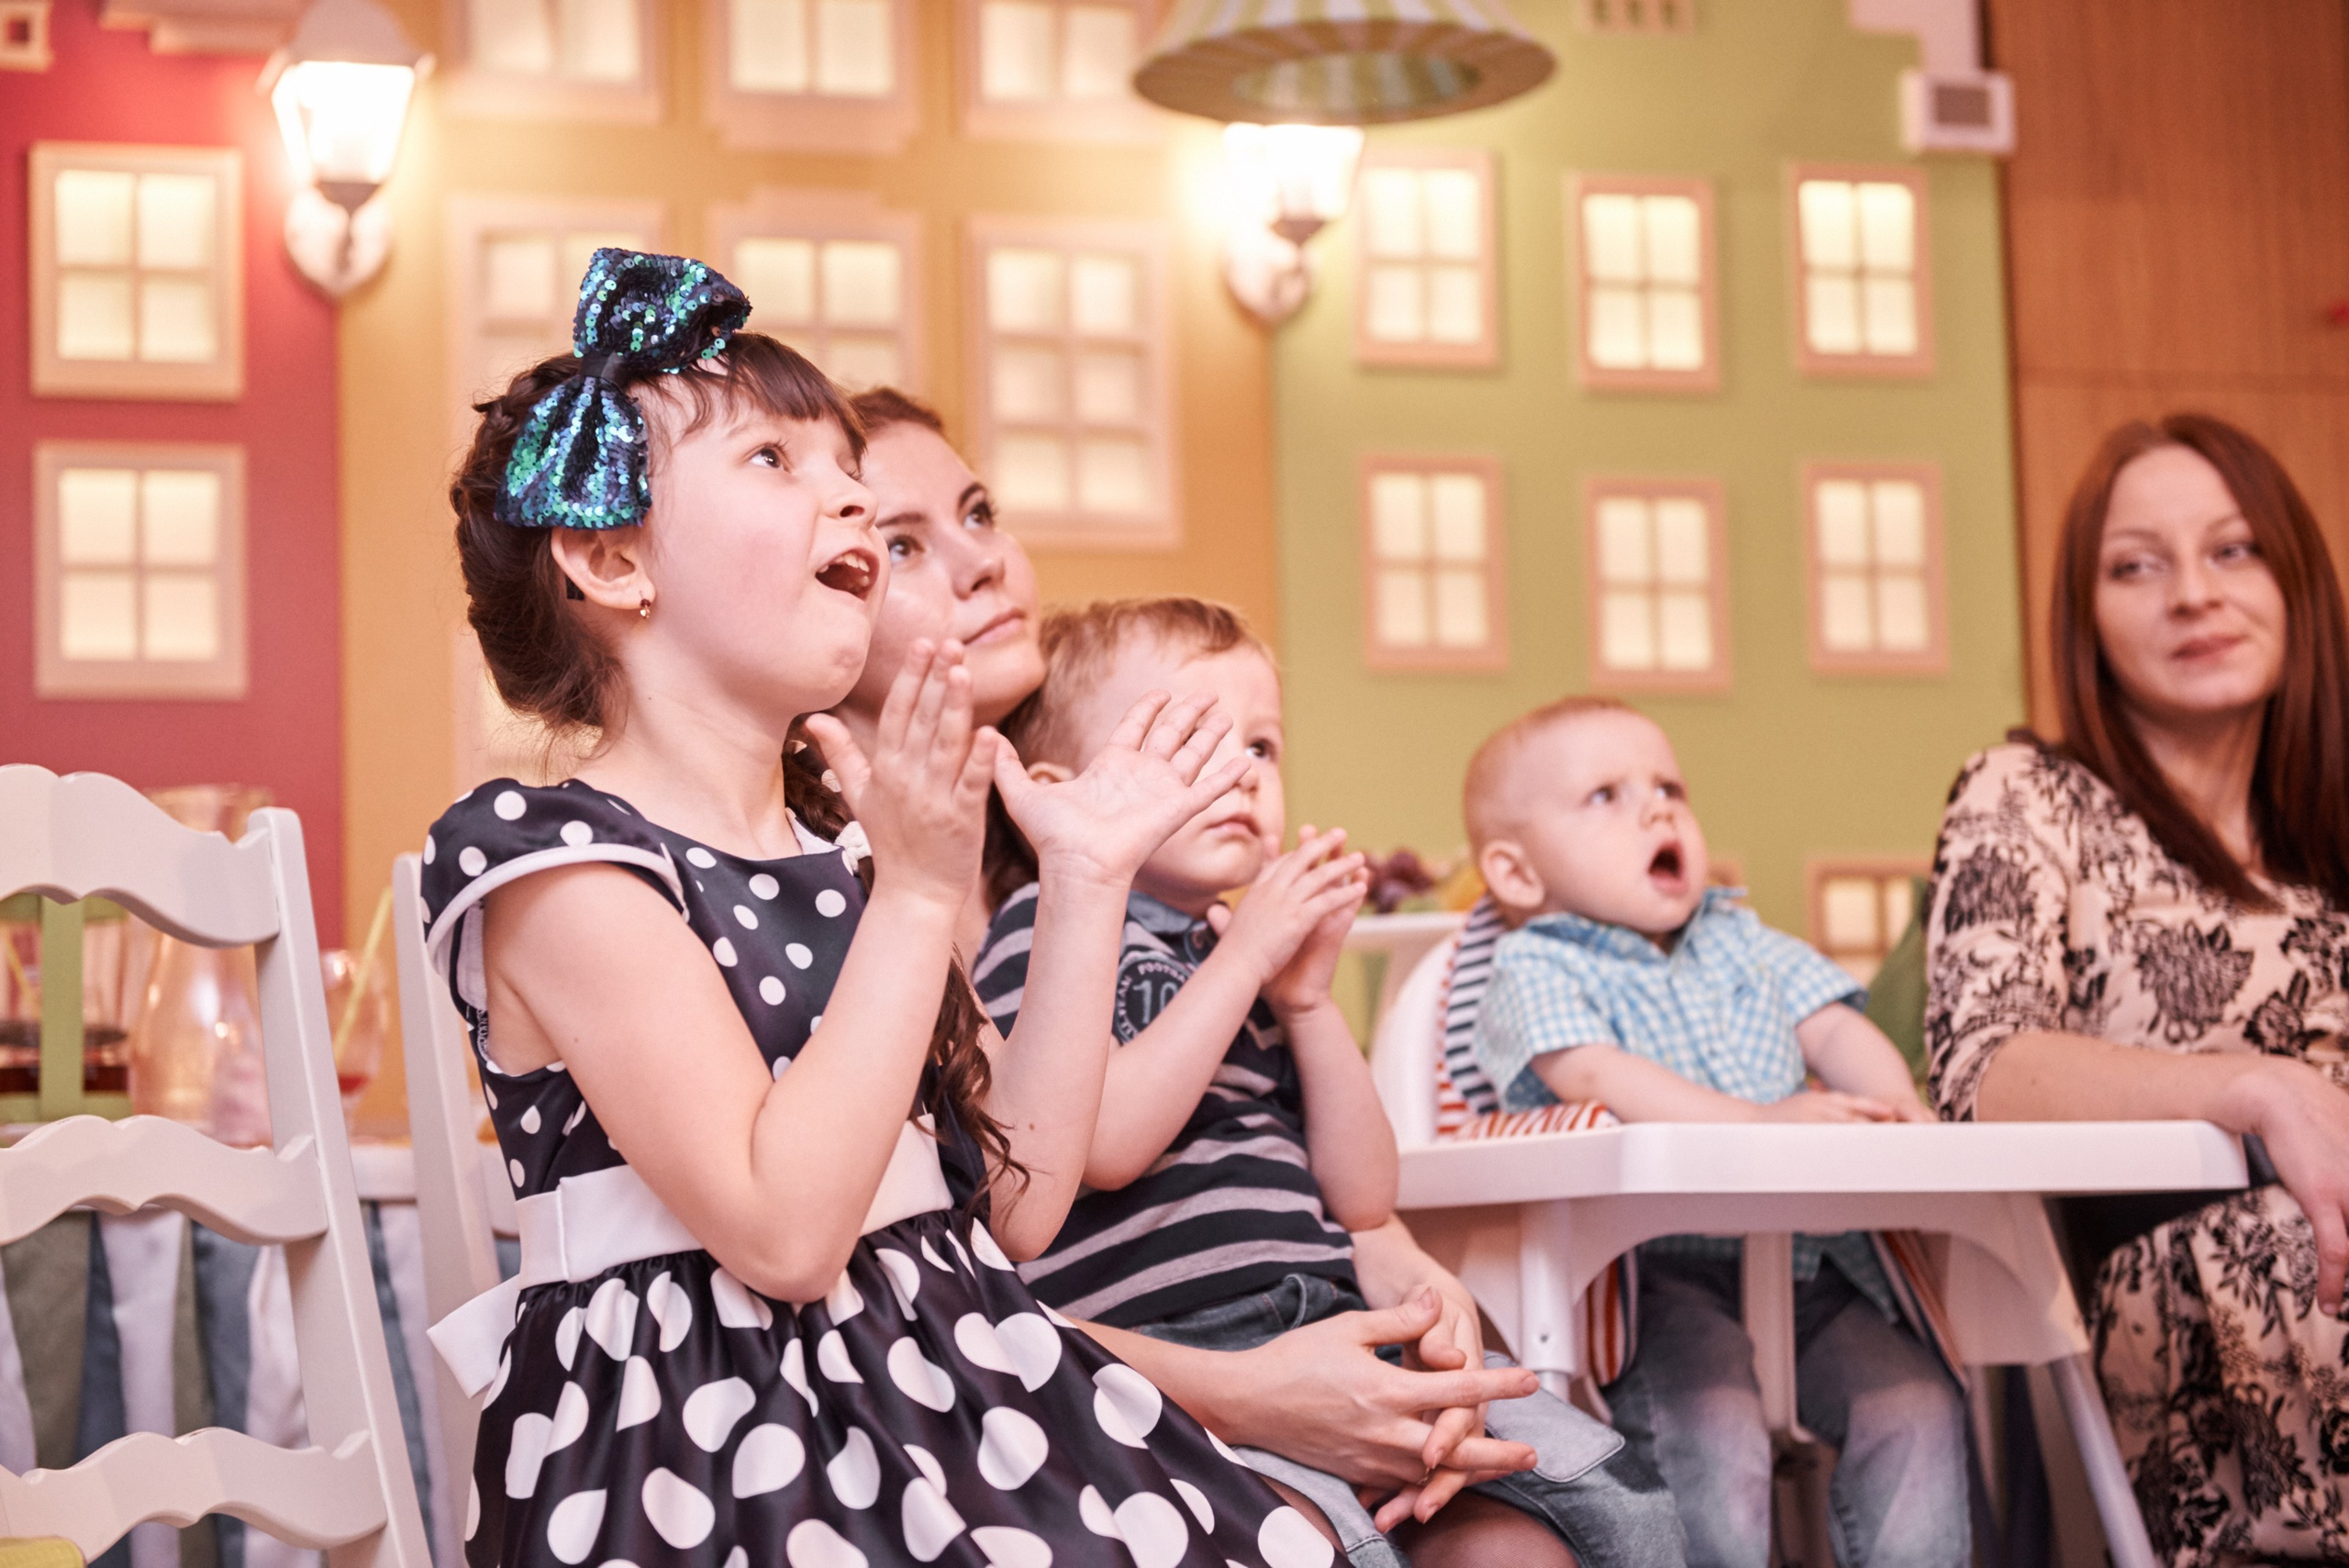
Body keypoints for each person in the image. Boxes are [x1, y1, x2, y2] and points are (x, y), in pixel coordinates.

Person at [421, 249, 1329, 1565]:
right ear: (613, 560)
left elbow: (1016, 1201)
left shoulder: (843, 856)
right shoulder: (556, 862)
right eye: (774, 460)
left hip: (944, 1391)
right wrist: (911, 892)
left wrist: (1084, 882)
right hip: (714, 1442)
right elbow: (786, 1236)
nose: (847, 494)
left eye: (846, 467)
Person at [830, 384, 1603, 1554]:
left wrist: (1398, 1272)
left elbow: (1339, 1187)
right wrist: (1252, 1389)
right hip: (1002, 1399)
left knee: (1527, 1528)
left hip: (1277, 1328)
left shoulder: (1122, 894)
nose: (984, 562)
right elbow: (972, 1267)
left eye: (980, 512)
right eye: (900, 542)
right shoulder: (867, 895)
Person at [974, 598, 1687, 1568]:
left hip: (1329, 1315)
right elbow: (1103, 1147)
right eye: (1190, 743)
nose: (1241, 773)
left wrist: (1306, 1003)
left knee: (1607, 1504)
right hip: (1175, 1354)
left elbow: (1362, 1194)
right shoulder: (1044, 927)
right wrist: (1245, 963)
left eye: (1261, 746)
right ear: (1058, 794)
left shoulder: (1250, 955)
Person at [1925, 413, 2349, 1564]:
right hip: (2190, 1301)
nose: (2193, 594)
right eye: (2135, 565)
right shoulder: (2028, 795)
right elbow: (1980, 1068)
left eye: (2232, 548)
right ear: (2087, 615)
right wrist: (2257, 1088)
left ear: (2294, 577)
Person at [1468, 696, 1970, 1568]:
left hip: (1811, 1264)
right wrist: (1758, 1124)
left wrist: (1896, 1105)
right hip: (1654, 1275)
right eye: (1607, 796)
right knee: (1713, 1428)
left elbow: (1834, 1029)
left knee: (1915, 1406)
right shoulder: (1535, 962)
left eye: (1669, 788)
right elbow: (1592, 1072)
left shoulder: (1740, 938)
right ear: (1516, 872)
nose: (1657, 811)